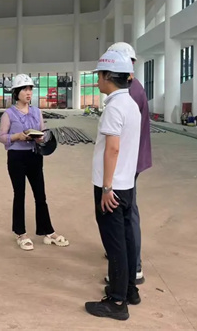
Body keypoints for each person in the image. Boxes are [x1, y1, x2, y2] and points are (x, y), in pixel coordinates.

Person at [85, 51, 141, 321]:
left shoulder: (114, 107)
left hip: (112, 188)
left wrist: (107, 188)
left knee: (114, 242)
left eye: (99, 75)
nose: (97, 80)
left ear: (108, 76)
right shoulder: (131, 104)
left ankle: (117, 302)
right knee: (126, 239)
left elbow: (113, 149)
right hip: (126, 184)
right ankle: (129, 289)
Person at [0, 74, 69, 251]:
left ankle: (48, 232)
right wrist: (18, 136)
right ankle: (20, 233)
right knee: (19, 194)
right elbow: (1, 136)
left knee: (40, 195)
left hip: (35, 156)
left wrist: (41, 137)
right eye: (24, 89)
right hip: (16, 158)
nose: (28, 92)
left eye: (30, 89)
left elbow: (43, 131)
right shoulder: (8, 114)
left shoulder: (37, 112)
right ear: (16, 92)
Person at [103, 42, 152, 285]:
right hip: (131, 160)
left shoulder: (128, 93)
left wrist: (107, 184)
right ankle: (125, 261)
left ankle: (133, 268)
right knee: (126, 212)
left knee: (125, 214)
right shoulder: (134, 88)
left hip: (126, 163)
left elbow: (115, 144)